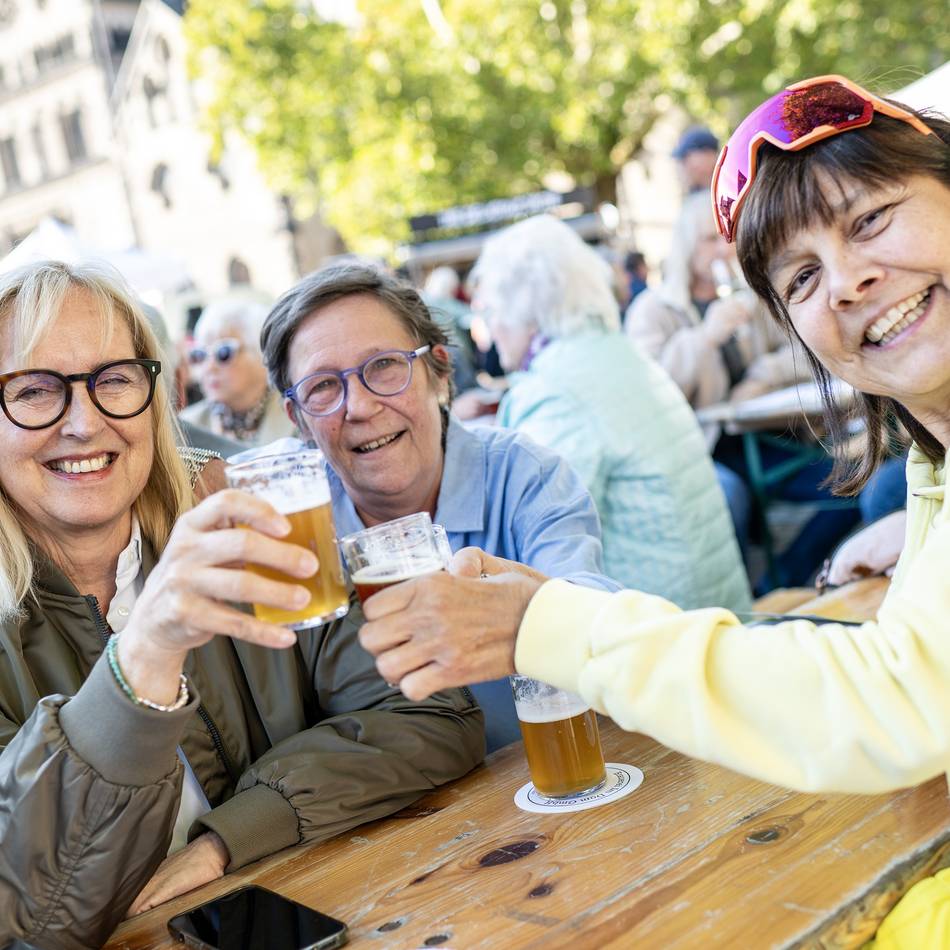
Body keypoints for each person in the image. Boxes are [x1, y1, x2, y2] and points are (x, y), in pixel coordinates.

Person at [357, 75, 950, 948]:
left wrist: (543, 625)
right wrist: (917, 527)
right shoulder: (929, 456)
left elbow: (901, 705)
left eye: (870, 219)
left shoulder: (545, 413)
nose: (852, 280)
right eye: (802, 276)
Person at [0, 260, 483, 947]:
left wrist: (229, 836)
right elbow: (23, 917)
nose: (84, 422)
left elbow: (434, 711)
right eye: (34, 390)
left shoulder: (237, 519)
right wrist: (144, 656)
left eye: (113, 380)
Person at [258, 262, 621, 751]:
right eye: (323, 386)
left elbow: (594, 614)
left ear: (439, 373)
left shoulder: (525, 474)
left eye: (384, 365)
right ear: (298, 420)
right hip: (386, 811)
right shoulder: (281, 511)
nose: (359, 407)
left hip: (532, 781)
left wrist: (513, 614)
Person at [470, 213, 750, 611]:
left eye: (493, 310)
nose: (491, 329)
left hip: (659, 634)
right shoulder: (613, 352)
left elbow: (534, 532)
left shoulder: (555, 389)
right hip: (717, 607)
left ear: (524, 311)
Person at [627, 188, 860, 588]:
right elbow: (649, 392)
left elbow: (803, 351)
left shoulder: (749, 296)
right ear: (685, 247)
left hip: (768, 433)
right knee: (849, 487)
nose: (721, 250)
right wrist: (705, 338)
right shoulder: (654, 310)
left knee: (856, 482)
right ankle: (770, 587)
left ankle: (777, 581)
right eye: (707, 240)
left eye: (725, 237)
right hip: (707, 446)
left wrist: (760, 378)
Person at [181, 296, 296, 445]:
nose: (209, 367)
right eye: (200, 355)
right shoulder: (186, 428)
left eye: (223, 353)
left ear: (263, 354)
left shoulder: (298, 415)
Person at [672, 124, 720, 194]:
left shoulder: (729, 191)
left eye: (686, 157)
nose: (683, 166)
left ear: (709, 155)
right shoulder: (695, 196)